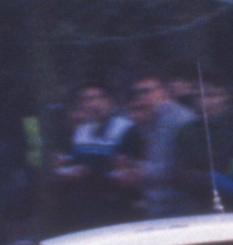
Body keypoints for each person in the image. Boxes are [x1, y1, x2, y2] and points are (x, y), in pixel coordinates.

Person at [168, 73, 233, 213]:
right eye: (199, 96)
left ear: (225, 96)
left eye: (211, 95)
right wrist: (207, 179)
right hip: (203, 208)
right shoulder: (187, 132)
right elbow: (177, 174)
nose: (205, 102)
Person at [48, 81, 141, 229]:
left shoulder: (125, 128)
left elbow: (126, 170)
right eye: (84, 100)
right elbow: (74, 161)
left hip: (115, 207)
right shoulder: (81, 130)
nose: (90, 104)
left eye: (95, 98)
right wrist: (63, 163)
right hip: (83, 206)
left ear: (108, 101)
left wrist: (90, 173)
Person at [116, 72, 196, 218]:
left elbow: (182, 167)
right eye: (138, 93)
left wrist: (141, 171)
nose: (142, 97)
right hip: (156, 202)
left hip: (178, 205)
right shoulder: (152, 118)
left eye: (147, 91)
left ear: (164, 91)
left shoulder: (180, 119)